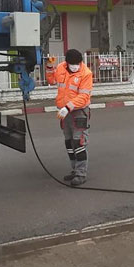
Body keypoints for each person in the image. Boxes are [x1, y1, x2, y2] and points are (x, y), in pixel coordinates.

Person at [45, 49, 93, 186]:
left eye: (77, 64)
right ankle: (74, 169)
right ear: (67, 63)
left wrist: (68, 107)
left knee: (79, 143)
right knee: (69, 143)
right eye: (72, 64)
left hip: (79, 112)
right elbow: (51, 80)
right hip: (64, 112)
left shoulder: (86, 74)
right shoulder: (61, 67)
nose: (74, 66)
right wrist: (49, 67)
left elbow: (84, 96)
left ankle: (81, 173)